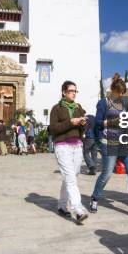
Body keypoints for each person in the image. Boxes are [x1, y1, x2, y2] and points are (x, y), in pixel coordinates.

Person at [89, 73, 128, 220]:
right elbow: (98, 123)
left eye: (122, 93)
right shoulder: (103, 103)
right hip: (108, 142)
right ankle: (95, 198)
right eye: (118, 93)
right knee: (107, 173)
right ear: (112, 90)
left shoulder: (124, 102)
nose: (120, 96)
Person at [50, 80, 89, 224]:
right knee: (70, 177)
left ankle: (61, 205)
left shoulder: (78, 107)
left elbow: (82, 129)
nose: (74, 93)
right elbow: (53, 129)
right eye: (71, 91)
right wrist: (70, 123)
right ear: (64, 92)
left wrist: (83, 124)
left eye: (75, 91)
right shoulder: (56, 108)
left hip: (77, 146)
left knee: (72, 176)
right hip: (62, 146)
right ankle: (78, 209)